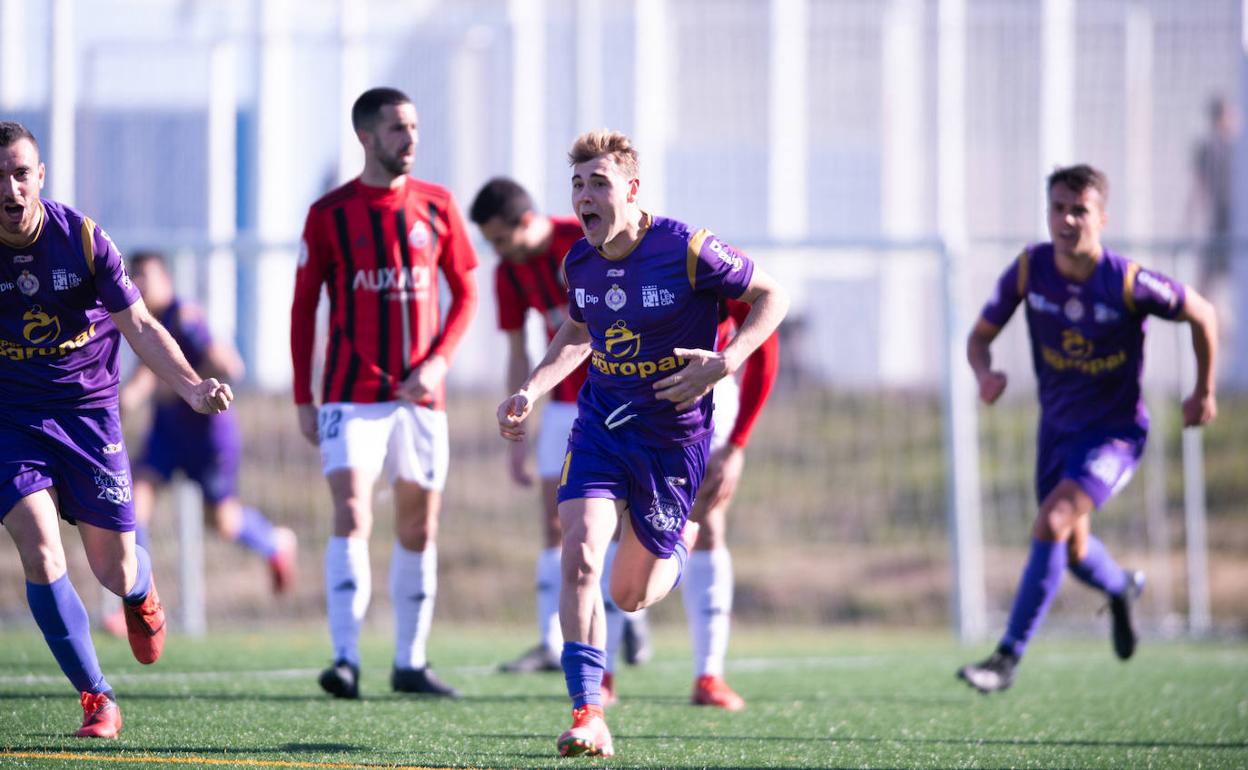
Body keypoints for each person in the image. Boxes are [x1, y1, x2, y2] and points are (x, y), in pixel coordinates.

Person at [496, 130, 789, 757]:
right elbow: (579, 329)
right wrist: (533, 387)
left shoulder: (687, 248)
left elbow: (774, 295)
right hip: (601, 426)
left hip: (672, 439)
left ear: (631, 190)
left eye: (598, 183)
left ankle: (678, 541)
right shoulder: (579, 260)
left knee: (630, 595)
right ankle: (588, 712)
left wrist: (727, 359)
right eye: (577, 185)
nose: (585, 197)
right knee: (579, 554)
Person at [0, 121, 233, 738]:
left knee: (112, 566)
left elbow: (142, 326)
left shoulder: (80, 239)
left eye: (20, 173)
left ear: (39, 177)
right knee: (39, 544)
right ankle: (97, 698)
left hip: (86, 413)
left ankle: (139, 586)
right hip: (12, 419)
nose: (10, 188)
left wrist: (190, 385)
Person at [957, 164, 1218, 694]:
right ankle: (1121, 587)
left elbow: (1203, 313)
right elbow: (979, 337)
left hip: (1114, 435)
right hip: (1056, 431)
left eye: (1079, 209)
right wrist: (984, 375)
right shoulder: (1030, 271)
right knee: (1073, 551)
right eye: (1058, 208)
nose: (1067, 219)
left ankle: (1006, 659)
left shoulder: (1126, 280)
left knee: (1052, 521)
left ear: (1102, 217)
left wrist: (1203, 391)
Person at [290, 87, 478, 700]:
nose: (411, 138)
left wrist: (439, 363)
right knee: (351, 513)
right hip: (350, 395)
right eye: (399, 128)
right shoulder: (329, 214)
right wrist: (303, 394)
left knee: (419, 527)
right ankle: (344, 659)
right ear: (366, 136)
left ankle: (409, 662)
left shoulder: (439, 206)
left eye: (415, 126)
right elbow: (303, 309)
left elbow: (467, 293)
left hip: (421, 401)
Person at [468, 176, 651, 676]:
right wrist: (517, 424)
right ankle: (551, 642)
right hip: (565, 408)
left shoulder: (587, 240)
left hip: (621, 401)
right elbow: (516, 350)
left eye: (502, 239)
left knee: (614, 528)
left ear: (527, 222)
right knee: (556, 525)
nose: (498, 251)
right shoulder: (509, 272)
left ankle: (624, 613)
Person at [118, 251, 296, 592]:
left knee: (223, 522)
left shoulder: (185, 319)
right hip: (167, 434)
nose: (137, 284)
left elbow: (230, 366)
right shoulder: (141, 322)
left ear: (166, 281)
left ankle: (276, 543)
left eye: (145, 276)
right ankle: (140, 595)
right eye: (133, 276)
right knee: (135, 499)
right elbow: (144, 379)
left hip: (208, 436)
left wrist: (191, 387)